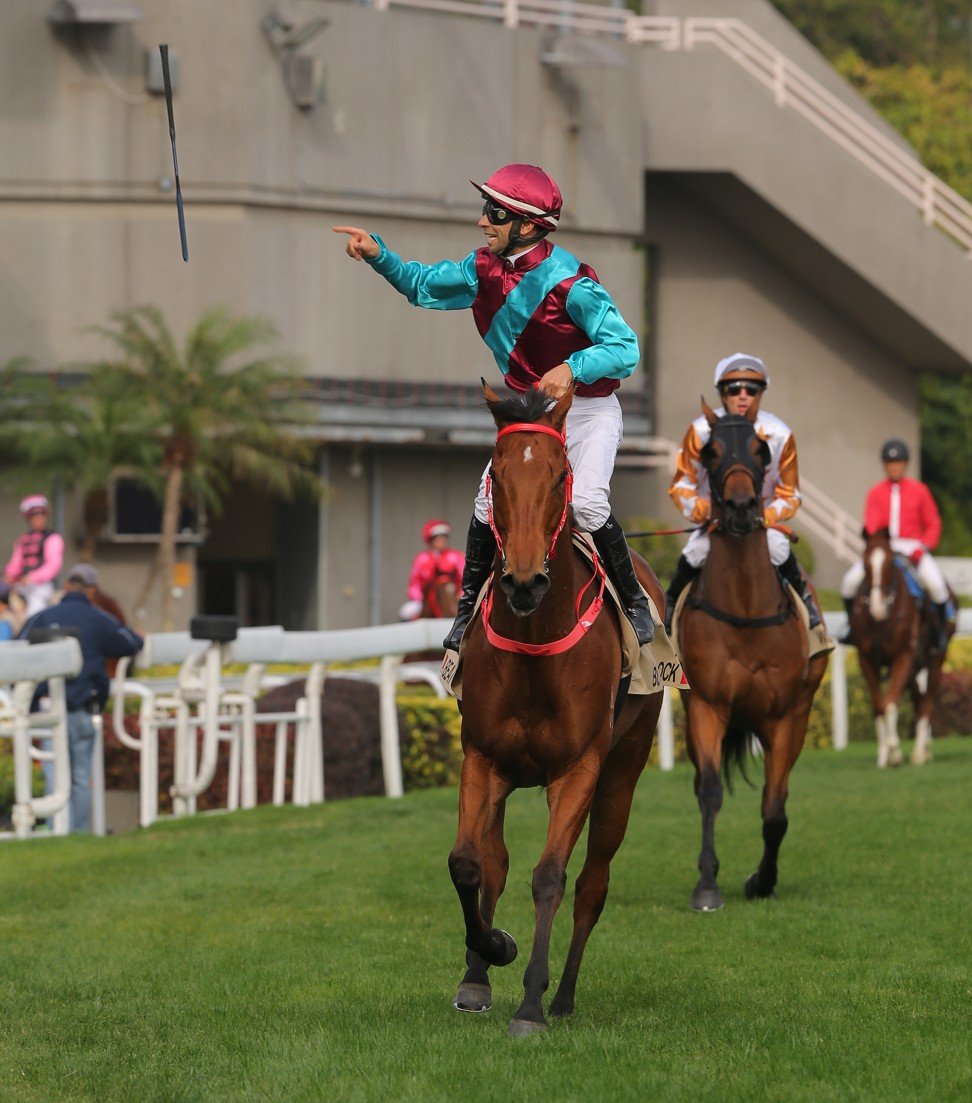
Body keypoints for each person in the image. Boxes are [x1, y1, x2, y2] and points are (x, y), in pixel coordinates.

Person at [334, 163, 654, 649]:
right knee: (486, 504)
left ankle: (633, 602)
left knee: (587, 504)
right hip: (530, 412)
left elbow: (626, 347)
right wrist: (380, 255)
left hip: (587, 408)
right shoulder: (479, 269)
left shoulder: (573, 282)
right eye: (486, 209)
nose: (484, 221)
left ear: (527, 225)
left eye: (495, 212)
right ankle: (465, 615)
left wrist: (573, 368)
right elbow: (422, 286)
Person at [665, 352, 821, 631]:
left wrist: (765, 516)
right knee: (694, 553)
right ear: (722, 393)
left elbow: (790, 495)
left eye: (752, 389)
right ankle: (666, 622)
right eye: (734, 389)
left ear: (761, 393)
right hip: (715, 524)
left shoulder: (780, 434)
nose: (743, 395)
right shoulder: (699, 431)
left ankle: (809, 616)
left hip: (762, 524)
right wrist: (706, 511)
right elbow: (681, 485)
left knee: (778, 548)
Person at [19, 563, 143, 833]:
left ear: (65, 587)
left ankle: (57, 831)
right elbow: (131, 642)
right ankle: (79, 833)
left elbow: (18, 650)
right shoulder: (100, 618)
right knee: (80, 776)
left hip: (46, 708)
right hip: (84, 708)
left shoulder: (41, 617)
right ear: (92, 590)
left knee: (53, 775)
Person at [839, 439, 951, 651]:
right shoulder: (875, 492)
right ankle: (851, 628)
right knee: (849, 582)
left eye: (898, 462)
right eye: (890, 462)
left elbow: (933, 523)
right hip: (884, 547)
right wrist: (877, 543)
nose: (895, 466)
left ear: (906, 464)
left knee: (936, 585)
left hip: (913, 546)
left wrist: (923, 546)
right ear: (884, 465)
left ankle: (940, 633)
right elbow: (871, 525)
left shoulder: (920, 491)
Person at [3, 494, 64, 618]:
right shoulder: (23, 540)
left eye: (41, 515)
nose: (39, 519)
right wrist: (8, 575)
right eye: (35, 516)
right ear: (28, 519)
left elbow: (53, 566)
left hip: (41, 586)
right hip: (21, 585)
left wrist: (32, 578)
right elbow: (16, 563)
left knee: (33, 612)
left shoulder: (53, 538)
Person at [398, 520, 465, 621]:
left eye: (444, 538)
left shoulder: (456, 556)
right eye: (438, 538)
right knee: (405, 613)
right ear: (431, 540)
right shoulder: (421, 559)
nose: (442, 541)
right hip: (425, 598)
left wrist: (462, 594)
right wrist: (418, 598)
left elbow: (464, 577)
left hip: (454, 597)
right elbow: (414, 582)